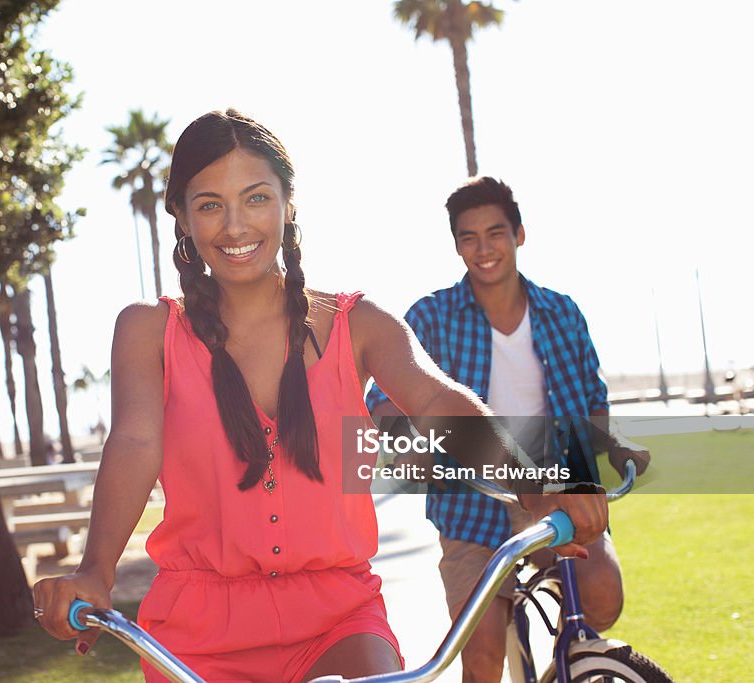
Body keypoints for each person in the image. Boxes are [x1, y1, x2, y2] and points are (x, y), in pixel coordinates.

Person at [32, 112, 609, 683]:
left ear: (288, 203)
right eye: (209, 204)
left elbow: (436, 401)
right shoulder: (148, 331)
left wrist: (539, 484)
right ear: (181, 216)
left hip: (340, 619)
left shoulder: (359, 324)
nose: (235, 226)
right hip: (196, 634)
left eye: (256, 198)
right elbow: (134, 440)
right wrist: (95, 570)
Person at [365, 176, 650, 683]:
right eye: (468, 237)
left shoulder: (563, 313)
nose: (483, 248)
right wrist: (413, 440)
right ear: (456, 246)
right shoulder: (430, 317)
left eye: (495, 233)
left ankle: (564, 665)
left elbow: (593, 402)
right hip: (472, 500)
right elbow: (382, 400)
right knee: (480, 658)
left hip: (560, 486)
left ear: (519, 235)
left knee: (603, 597)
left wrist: (613, 443)